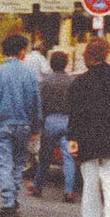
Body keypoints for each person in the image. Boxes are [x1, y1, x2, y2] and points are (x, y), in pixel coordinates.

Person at [67, 36, 110, 217]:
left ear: (87, 56)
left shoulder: (79, 83)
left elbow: (75, 115)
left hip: (87, 138)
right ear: (106, 54)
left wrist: (73, 138)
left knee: (90, 180)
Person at [0, 34, 42, 217]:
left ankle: (8, 202)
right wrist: (36, 128)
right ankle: (13, 198)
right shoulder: (28, 74)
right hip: (23, 126)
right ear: (22, 51)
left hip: (3, 124)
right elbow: (36, 103)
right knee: (18, 163)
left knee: (4, 163)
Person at [30, 51, 76, 203]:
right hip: (67, 120)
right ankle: (69, 191)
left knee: (45, 157)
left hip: (50, 120)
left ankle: (37, 186)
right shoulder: (71, 81)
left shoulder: (46, 82)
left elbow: (39, 105)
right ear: (66, 64)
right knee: (68, 157)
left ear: (51, 64)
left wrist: (37, 125)